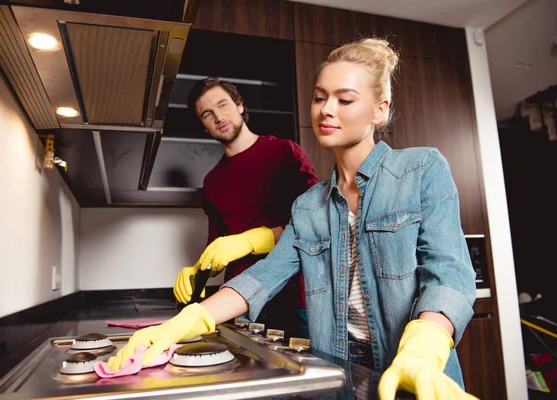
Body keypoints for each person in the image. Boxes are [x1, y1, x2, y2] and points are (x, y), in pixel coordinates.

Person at [108, 38, 478, 400]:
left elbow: (449, 276)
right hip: (337, 373)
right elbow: (261, 278)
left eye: (345, 99)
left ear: (379, 110)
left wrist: (423, 348)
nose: (326, 110)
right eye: (320, 97)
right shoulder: (308, 207)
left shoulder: (422, 168)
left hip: (416, 371)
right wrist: (181, 324)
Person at [172, 77, 318, 339]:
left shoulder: (285, 152)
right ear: (204, 126)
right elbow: (217, 244)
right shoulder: (212, 181)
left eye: (223, 105)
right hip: (241, 305)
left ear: (239, 105)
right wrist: (197, 269)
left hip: (293, 300)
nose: (219, 117)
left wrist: (252, 240)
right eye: (207, 114)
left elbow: (317, 223)